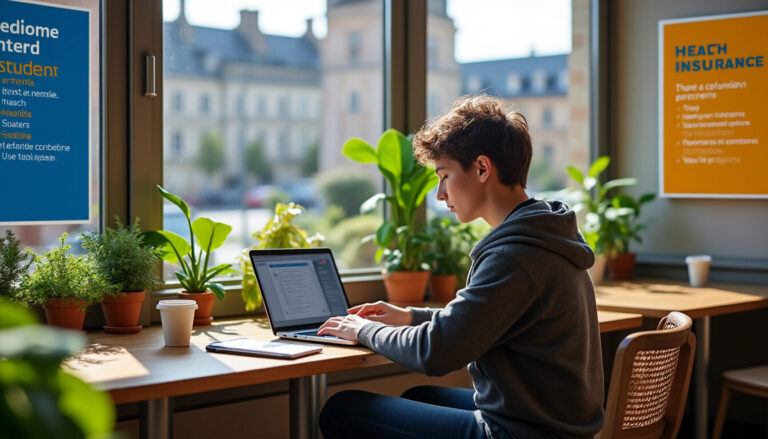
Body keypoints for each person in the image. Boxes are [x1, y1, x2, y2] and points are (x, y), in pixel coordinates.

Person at [317, 95, 604, 439]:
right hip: (552, 426)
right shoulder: (544, 234)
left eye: (445, 175)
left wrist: (362, 331)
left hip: (519, 433)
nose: (440, 194)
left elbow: (437, 352)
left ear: (482, 168)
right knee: (418, 396)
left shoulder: (515, 255)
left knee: (344, 409)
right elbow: (477, 321)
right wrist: (410, 316)